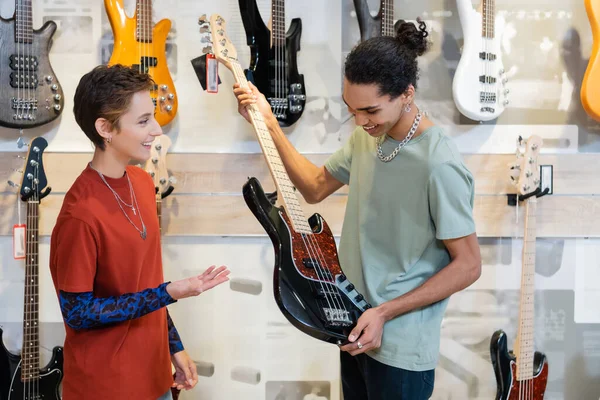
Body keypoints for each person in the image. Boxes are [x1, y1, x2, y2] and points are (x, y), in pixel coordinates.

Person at [233, 19, 481, 400]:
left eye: (370, 110)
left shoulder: (440, 165)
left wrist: (385, 313)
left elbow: (468, 265)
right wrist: (268, 122)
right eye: (352, 110)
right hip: (351, 324)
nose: (361, 121)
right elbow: (315, 187)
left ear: (407, 94)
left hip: (398, 343)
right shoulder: (368, 138)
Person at [49, 64, 230, 400]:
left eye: (154, 116)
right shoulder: (80, 214)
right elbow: (78, 314)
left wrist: (174, 346)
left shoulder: (143, 183)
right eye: (143, 121)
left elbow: (143, 283)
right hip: (105, 386)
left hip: (154, 375)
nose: (158, 130)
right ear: (105, 128)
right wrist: (170, 292)